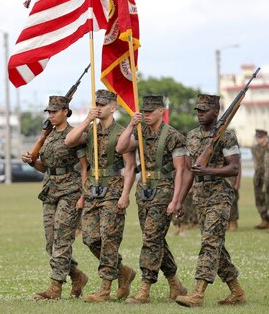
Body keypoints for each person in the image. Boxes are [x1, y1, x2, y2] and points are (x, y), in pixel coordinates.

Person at [64, 89, 136, 303]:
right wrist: (87, 119)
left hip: (113, 191)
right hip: (93, 192)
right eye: (96, 103)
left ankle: (105, 288)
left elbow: (130, 167)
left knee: (109, 239)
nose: (99, 107)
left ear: (113, 108)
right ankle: (122, 271)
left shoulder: (122, 132)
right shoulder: (91, 131)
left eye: (103, 104)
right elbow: (69, 140)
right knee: (90, 238)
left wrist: (125, 195)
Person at [175, 94, 246, 308]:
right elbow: (189, 170)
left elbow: (234, 168)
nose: (199, 114)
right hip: (200, 195)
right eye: (198, 110)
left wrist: (208, 170)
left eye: (204, 110)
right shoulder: (192, 136)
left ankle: (197, 293)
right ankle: (237, 292)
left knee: (209, 243)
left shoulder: (227, 136)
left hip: (220, 195)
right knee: (215, 244)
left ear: (216, 112)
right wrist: (179, 200)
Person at [116, 94, 188, 304]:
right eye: (143, 111)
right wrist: (131, 124)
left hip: (164, 190)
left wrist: (176, 200)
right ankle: (175, 282)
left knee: (150, 240)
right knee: (154, 239)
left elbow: (181, 170)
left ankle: (145, 288)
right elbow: (120, 148)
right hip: (144, 191)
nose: (146, 115)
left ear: (160, 111)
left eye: (150, 111)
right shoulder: (140, 131)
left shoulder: (173, 136)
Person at [22, 95, 88, 300]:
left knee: (62, 239)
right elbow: (46, 167)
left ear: (65, 112)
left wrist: (84, 195)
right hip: (51, 190)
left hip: (71, 190)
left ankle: (55, 287)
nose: (50, 115)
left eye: (54, 111)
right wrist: (32, 162)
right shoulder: (48, 136)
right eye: (49, 112)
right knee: (51, 242)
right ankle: (77, 275)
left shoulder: (74, 135)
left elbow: (85, 166)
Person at [252, 129, 269, 229]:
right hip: (259, 176)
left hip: (267, 176)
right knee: (259, 199)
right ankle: (264, 220)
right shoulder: (254, 148)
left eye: (261, 137)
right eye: (257, 137)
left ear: (266, 137)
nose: (259, 139)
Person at [227, 159, 242, 231]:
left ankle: (233, 222)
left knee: (233, 203)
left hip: (232, 183)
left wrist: (237, 183)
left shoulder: (233, 150)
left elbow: (238, 169)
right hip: (223, 183)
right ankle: (227, 222)